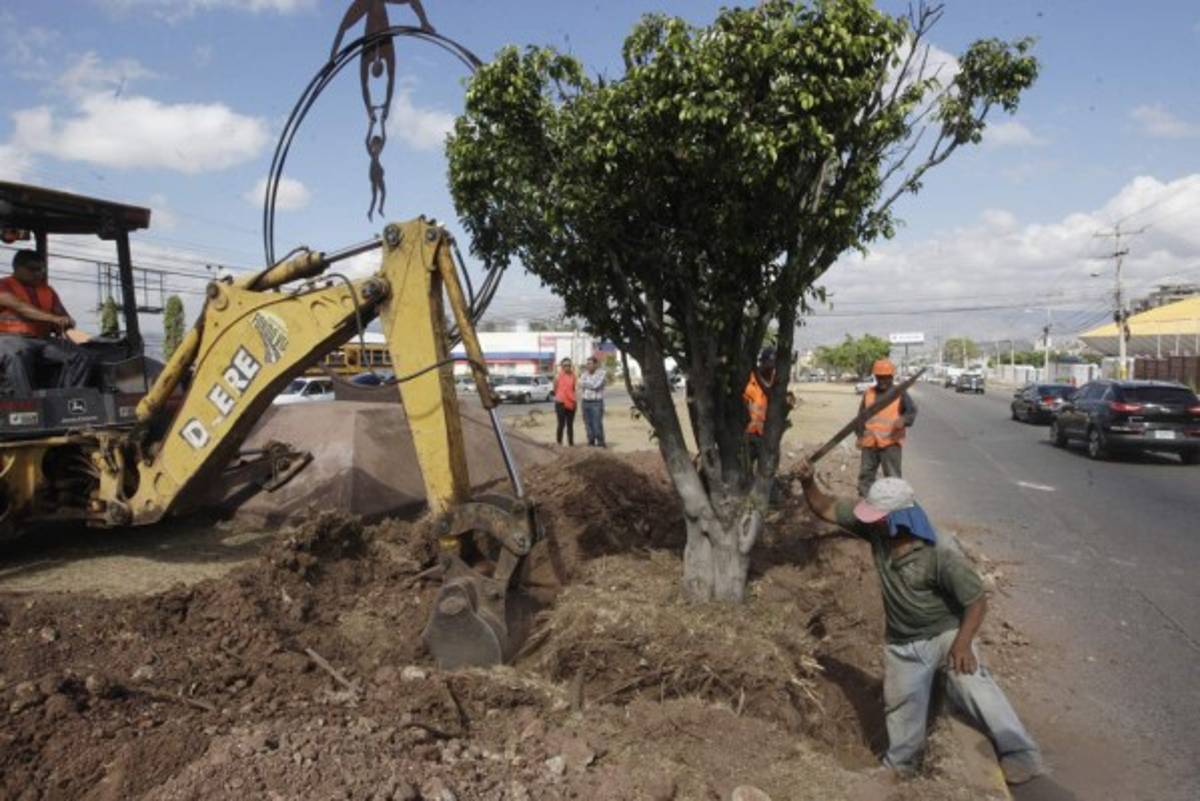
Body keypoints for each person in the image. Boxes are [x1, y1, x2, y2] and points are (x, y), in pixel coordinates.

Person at [794, 463, 1044, 785]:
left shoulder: (939, 551)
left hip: (946, 634)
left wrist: (963, 644)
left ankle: (1020, 753)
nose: (872, 521)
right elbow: (825, 507)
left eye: (879, 517)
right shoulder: (876, 529)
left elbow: (976, 601)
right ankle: (900, 767)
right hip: (903, 642)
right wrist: (806, 481)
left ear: (898, 517)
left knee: (974, 685)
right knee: (901, 706)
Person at [0, 250, 92, 396]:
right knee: (16, 353)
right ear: (17, 268)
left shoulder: (47, 290)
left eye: (41, 269)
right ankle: (24, 403)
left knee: (80, 355)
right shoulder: (4, 286)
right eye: (33, 269)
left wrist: (66, 322)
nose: (38, 273)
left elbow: (61, 314)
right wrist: (53, 319)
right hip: (8, 338)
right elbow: (21, 307)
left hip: (42, 340)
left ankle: (68, 400)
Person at [856, 358, 917, 497]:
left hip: (890, 443)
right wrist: (859, 436)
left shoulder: (900, 393)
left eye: (886, 377)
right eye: (880, 377)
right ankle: (866, 503)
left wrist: (904, 419)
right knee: (866, 476)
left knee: (893, 478)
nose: (883, 381)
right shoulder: (868, 393)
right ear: (875, 377)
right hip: (870, 443)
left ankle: (895, 509)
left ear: (891, 377)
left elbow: (912, 411)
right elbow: (860, 417)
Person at [743, 347, 778, 468]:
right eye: (768, 365)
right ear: (761, 362)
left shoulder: (776, 383)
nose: (771, 368)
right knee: (746, 468)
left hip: (767, 434)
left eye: (773, 366)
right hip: (749, 433)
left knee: (767, 469)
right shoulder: (748, 382)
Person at [579, 355, 606, 447]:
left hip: (596, 403)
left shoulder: (601, 373)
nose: (588, 365)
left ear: (595, 364)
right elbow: (580, 383)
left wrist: (585, 383)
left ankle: (600, 443)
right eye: (587, 364)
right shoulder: (584, 374)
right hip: (585, 402)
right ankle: (591, 442)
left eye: (590, 363)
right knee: (587, 424)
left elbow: (596, 385)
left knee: (597, 424)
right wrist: (587, 384)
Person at [553, 358, 577, 446]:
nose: (567, 367)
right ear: (562, 366)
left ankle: (571, 444)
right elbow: (555, 389)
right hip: (560, 403)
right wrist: (561, 396)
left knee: (570, 425)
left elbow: (573, 389)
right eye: (565, 365)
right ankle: (559, 443)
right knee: (561, 424)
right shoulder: (557, 376)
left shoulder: (573, 376)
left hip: (571, 403)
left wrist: (572, 398)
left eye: (569, 365)